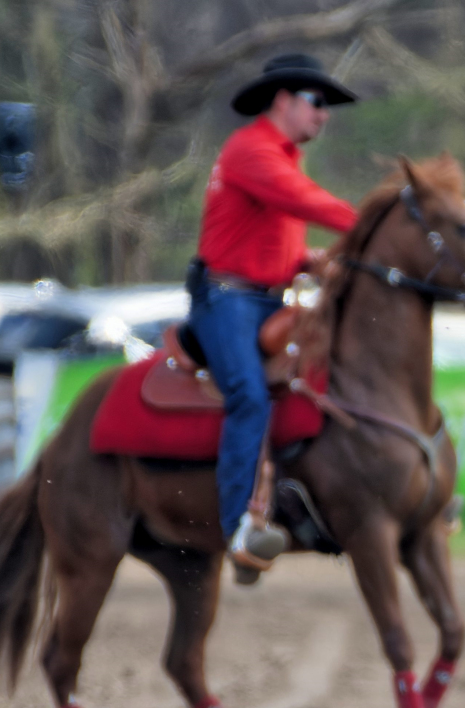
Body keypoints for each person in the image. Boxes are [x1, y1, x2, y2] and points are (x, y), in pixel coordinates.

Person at [191, 53, 359, 579]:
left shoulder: (284, 157)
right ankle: (238, 526)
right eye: (317, 102)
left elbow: (272, 232)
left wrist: (305, 258)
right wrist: (370, 225)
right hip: (228, 299)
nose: (324, 114)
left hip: (270, 298)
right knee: (249, 395)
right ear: (283, 100)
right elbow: (303, 201)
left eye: (326, 106)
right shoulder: (252, 149)